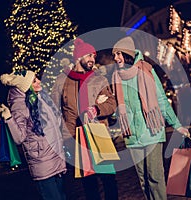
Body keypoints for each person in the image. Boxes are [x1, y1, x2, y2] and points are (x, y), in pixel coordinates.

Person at [111, 36, 190, 200]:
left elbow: (161, 100)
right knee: (143, 180)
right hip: (132, 135)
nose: (116, 58)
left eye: (119, 54)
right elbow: (118, 109)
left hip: (151, 131)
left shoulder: (147, 70)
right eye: (114, 55)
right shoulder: (116, 77)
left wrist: (176, 125)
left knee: (155, 177)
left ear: (127, 54)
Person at [60, 38, 118, 200]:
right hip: (79, 140)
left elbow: (112, 103)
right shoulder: (65, 83)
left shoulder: (99, 79)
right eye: (88, 56)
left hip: (100, 136)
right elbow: (65, 114)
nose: (92, 59)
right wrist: (68, 140)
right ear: (78, 58)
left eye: (93, 56)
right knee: (89, 183)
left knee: (109, 180)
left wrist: (96, 109)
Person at [0, 70, 67, 200]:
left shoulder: (40, 97)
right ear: (26, 86)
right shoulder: (19, 105)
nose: (39, 82)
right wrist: (8, 118)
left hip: (56, 157)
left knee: (62, 197)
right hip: (42, 163)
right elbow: (19, 138)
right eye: (34, 80)